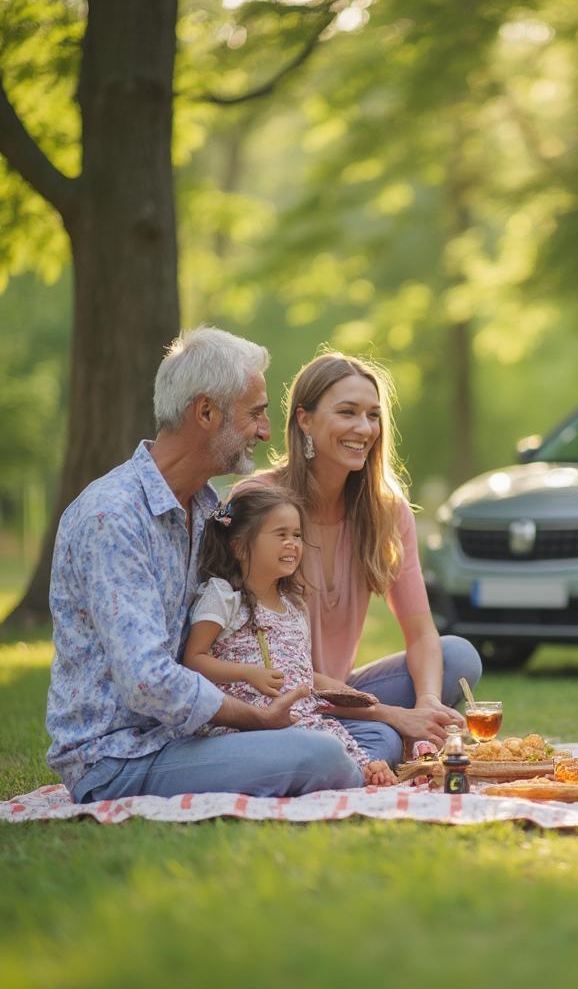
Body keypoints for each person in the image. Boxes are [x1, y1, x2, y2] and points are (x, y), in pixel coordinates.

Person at [47, 327, 366, 804]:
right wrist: (256, 717)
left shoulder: (205, 508)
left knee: (344, 744)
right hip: (119, 758)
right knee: (323, 756)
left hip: (185, 738)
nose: (263, 430)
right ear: (205, 412)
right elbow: (146, 682)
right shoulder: (112, 517)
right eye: (255, 413)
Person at [239, 351, 481, 767]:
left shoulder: (387, 512)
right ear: (304, 420)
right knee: (384, 739)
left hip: (340, 694)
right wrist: (394, 716)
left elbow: (421, 631)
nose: (364, 428)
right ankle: (352, 748)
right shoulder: (257, 503)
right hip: (275, 693)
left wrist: (427, 704)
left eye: (373, 415)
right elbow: (265, 664)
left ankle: (361, 743)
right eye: (347, 412)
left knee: (458, 656)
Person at [182, 484, 397, 786]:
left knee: (370, 739)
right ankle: (347, 771)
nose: (292, 544)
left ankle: (363, 770)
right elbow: (193, 660)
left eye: (296, 535)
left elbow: (301, 674)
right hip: (246, 728)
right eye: (280, 534)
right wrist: (247, 674)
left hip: (301, 719)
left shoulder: (294, 605)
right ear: (240, 547)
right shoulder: (223, 596)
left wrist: (346, 694)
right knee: (327, 750)